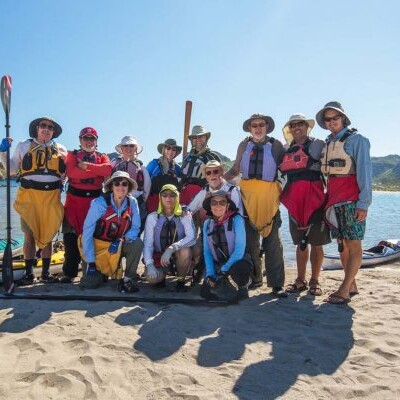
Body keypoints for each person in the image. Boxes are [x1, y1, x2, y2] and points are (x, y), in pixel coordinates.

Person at [224, 113, 287, 297]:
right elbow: (236, 168)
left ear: (267, 126)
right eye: (254, 125)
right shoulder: (243, 145)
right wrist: (221, 179)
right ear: (250, 128)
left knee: (273, 242)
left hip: (269, 198)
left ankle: (276, 285)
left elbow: (285, 169)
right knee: (250, 242)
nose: (258, 128)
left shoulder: (276, 146)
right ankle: (255, 279)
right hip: (247, 198)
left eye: (261, 125)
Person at [316, 101, 372, 304]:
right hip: (333, 200)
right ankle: (351, 285)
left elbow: (365, 173)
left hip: (351, 199)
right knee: (342, 244)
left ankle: (343, 289)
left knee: (353, 243)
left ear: (343, 119)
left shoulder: (357, 141)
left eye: (335, 118)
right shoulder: (328, 142)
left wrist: (363, 203)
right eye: (327, 119)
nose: (331, 122)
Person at [6, 117, 67, 284]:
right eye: (43, 126)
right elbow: (10, 170)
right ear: (37, 128)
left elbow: (65, 174)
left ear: (54, 132)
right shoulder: (23, 146)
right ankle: (28, 273)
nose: (46, 129)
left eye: (50, 127)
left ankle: (45, 273)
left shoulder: (61, 149)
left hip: (51, 198)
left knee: (47, 235)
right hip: (29, 197)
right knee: (29, 235)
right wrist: (3, 151)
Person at [279, 114, 331, 296]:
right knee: (300, 243)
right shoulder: (286, 149)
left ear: (306, 126)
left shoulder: (318, 144)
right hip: (294, 201)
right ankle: (300, 280)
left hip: (316, 199)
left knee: (317, 242)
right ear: (290, 129)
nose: (296, 127)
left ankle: (315, 280)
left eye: (300, 124)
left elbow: (330, 168)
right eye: (293, 125)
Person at [60, 127, 112, 283]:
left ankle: (94, 270)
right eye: (85, 138)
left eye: (92, 139)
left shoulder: (102, 157)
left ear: (96, 141)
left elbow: (108, 169)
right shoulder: (72, 155)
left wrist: (87, 166)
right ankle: (69, 273)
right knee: (70, 239)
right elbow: (72, 173)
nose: (89, 141)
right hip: (73, 203)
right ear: (80, 140)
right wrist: (97, 171)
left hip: (94, 204)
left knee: (95, 238)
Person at [79, 171, 143, 292]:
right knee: (90, 284)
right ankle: (100, 271)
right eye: (117, 183)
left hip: (116, 246)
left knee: (137, 244)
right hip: (97, 247)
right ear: (111, 186)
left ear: (128, 187)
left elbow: (135, 227)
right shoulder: (99, 203)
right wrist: (91, 261)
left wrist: (123, 239)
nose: (120, 187)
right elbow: (87, 232)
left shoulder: (132, 202)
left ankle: (128, 279)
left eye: (124, 184)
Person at [188, 160, 243, 283]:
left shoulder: (233, 190)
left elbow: (239, 215)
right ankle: (202, 270)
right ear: (206, 176)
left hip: (231, 234)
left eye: (215, 171)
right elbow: (190, 209)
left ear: (221, 173)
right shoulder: (204, 191)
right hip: (210, 233)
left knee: (241, 267)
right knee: (196, 250)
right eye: (208, 172)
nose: (212, 175)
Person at [200, 190, 252, 301]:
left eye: (222, 202)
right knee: (205, 292)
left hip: (237, 262)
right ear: (210, 205)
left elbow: (239, 251)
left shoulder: (237, 220)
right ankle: (223, 282)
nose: (218, 206)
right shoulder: (207, 224)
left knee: (240, 269)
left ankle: (243, 287)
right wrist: (210, 273)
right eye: (214, 202)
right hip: (218, 264)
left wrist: (224, 270)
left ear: (227, 205)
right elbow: (207, 252)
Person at [143, 184, 196, 291]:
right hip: (160, 257)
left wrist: (171, 248)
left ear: (177, 197)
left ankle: (181, 281)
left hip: (178, 255)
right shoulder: (152, 217)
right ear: (160, 198)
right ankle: (162, 276)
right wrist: (149, 265)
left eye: (172, 195)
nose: (168, 198)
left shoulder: (185, 214)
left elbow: (191, 237)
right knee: (152, 279)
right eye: (165, 195)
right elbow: (148, 244)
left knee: (185, 251)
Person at [111, 136, 151, 233]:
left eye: (131, 146)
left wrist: (140, 201)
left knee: (136, 230)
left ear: (135, 148)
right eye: (125, 146)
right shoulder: (114, 165)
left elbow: (147, 188)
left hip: (138, 203)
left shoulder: (142, 169)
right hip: (116, 203)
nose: (128, 148)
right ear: (121, 148)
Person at [180, 125, 220, 206]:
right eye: (195, 137)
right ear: (191, 140)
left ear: (206, 138)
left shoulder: (212, 157)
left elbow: (218, 179)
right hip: (184, 194)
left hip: (203, 195)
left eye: (201, 136)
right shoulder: (187, 157)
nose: (198, 139)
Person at [146, 138, 182, 213]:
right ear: (163, 149)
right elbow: (145, 183)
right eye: (168, 148)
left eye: (174, 149)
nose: (171, 151)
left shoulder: (178, 168)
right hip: (154, 201)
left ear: (176, 152)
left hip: (170, 203)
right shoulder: (153, 164)